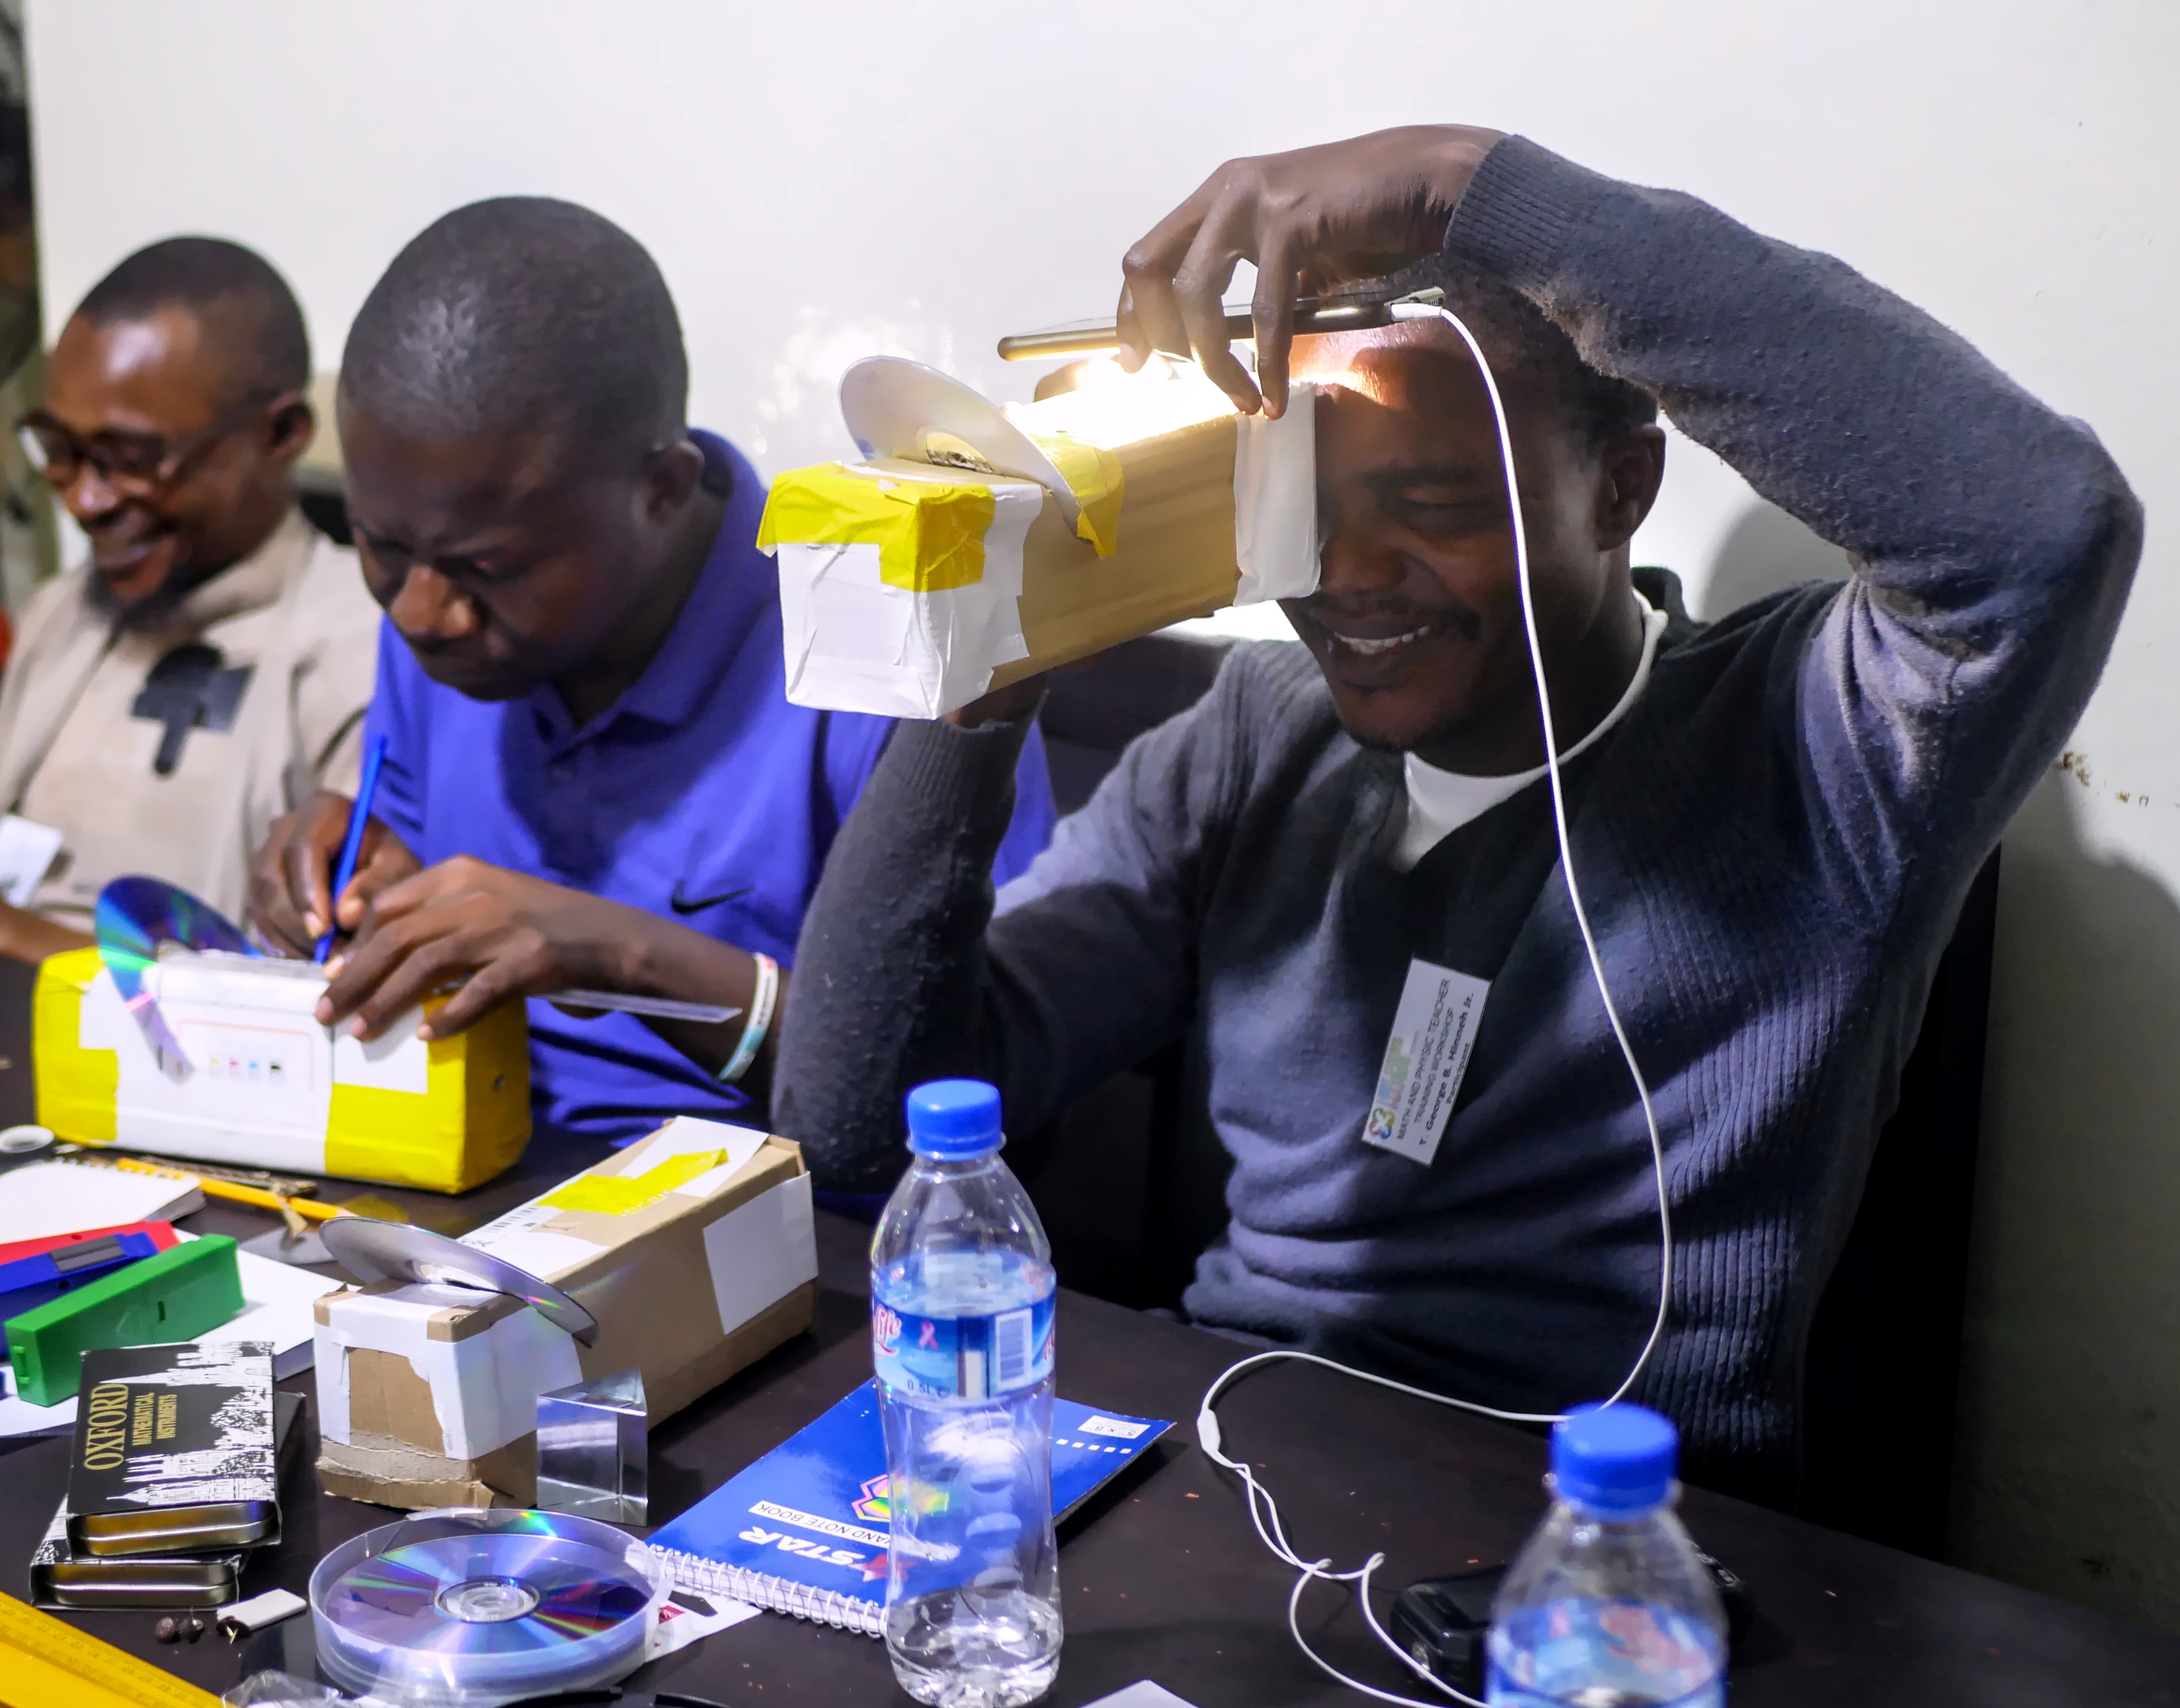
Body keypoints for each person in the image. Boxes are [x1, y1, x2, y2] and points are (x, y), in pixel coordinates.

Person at [773, 126, 2142, 1499]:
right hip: (1230, 1459)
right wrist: (990, 664)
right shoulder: (1260, 733)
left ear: (1621, 486)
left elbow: (2040, 529)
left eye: (1432, 506)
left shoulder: (1804, 738)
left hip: (1592, 1533)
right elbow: (860, 1131)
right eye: (1308, 509)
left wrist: (1467, 184)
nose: (1349, 577)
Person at [248, 199, 1056, 1150]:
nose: (421, 611)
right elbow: (428, 925)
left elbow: (972, 1091)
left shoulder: (886, 658)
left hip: (779, 1237)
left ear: (661, 489)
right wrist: (368, 889)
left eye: (488, 565)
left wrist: (625, 959)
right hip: (459, 1177)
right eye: (378, 543)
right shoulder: (448, 616)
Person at [0, 238, 375, 961]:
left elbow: (308, 1012)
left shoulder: (361, 648)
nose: (84, 499)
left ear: (280, 435)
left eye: (133, 459)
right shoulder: (65, 610)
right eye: (60, 448)